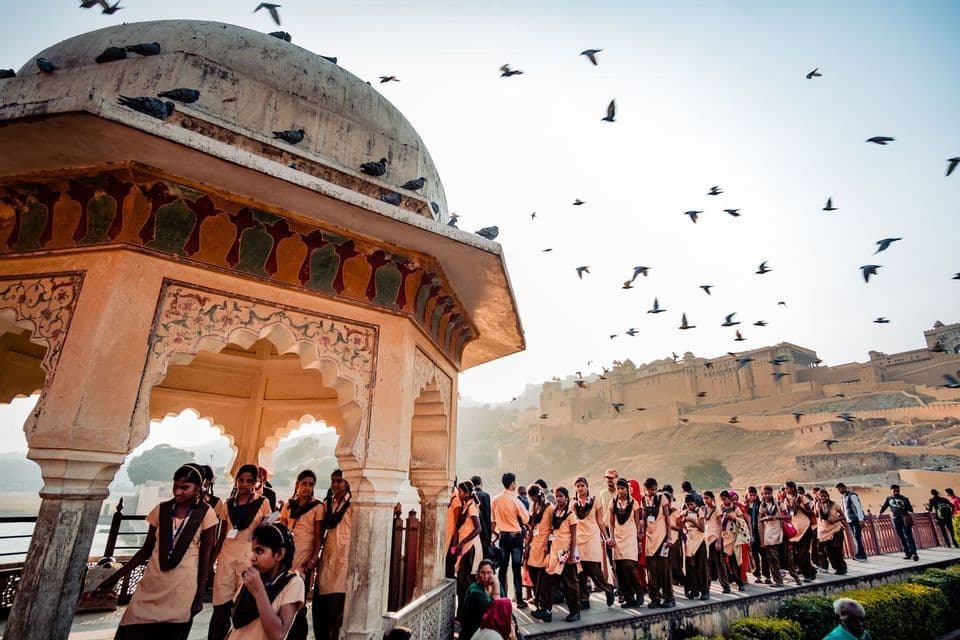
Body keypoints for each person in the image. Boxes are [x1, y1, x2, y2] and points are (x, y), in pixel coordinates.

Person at [101, 463, 218, 640]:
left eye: (184, 487)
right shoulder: (162, 510)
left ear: (198, 488)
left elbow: (205, 558)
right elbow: (145, 551)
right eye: (176, 486)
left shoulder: (206, 514)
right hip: (152, 585)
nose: (178, 492)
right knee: (131, 628)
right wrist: (115, 577)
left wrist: (199, 596)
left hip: (181, 589)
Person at [210, 464, 273, 640]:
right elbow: (222, 534)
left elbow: (265, 533)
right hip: (227, 557)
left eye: (249, 480)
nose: (244, 484)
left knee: (242, 607)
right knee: (220, 606)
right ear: (236, 481)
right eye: (241, 480)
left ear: (256, 483)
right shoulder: (228, 504)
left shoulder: (263, 503)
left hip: (249, 558)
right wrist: (211, 561)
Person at [226, 523, 305, 640]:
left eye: (259, 551)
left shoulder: (293, 583)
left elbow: (278, 634)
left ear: (279, 554)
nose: (252, 558)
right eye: (252, 551)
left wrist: (259, 592)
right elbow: (236, 627)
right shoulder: (253, 578)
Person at [532, 487, 581, 623]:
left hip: (565, 553)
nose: (558, 499)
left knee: (569, 583)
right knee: (549, 582)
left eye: (561, 496)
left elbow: (573, 536)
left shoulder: (570, 515)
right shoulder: (554, 513)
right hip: (555, 552)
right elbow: (553, 532)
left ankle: (575, 611)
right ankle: (546, 610)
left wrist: (571, 554)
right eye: (557, 496)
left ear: (566, 497)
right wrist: (548, 545)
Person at [313, 469, 352, 640]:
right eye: (333, 481)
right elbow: (321, 531)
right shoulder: (328, 504)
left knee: (339, 605)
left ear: (347, 483)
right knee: (324, 602)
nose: (336, 484)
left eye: (339, 481)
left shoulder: (353, 504)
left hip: (345, 558)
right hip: (328, 556)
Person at [573, 477, 615, 609]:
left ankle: (608, 588)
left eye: (582, 485)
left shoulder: (595, 501)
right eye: (578, 486)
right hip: (578, 539)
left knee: (593, 569)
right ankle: (584, 599)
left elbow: (601, 521)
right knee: (580, 572)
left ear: (587, 487)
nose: (580, 488)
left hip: (592, 537)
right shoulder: (573, 504)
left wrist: (607, 537)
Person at [491, 472, 530, 608]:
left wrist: (496, 534)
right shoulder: (516, 500)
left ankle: (503, 598)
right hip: (515, 537)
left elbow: (492, 521)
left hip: (503, 537)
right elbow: (526, 519)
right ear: (512, 483)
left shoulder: (495, 499)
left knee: (503, 569)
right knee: (515, 569)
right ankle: (519, 600)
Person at [278, 470, 322, 580]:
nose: (307, 487)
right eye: (304, 483)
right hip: (288, 550)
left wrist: (314, 558)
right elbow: (282, 530)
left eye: (310, 484)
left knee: (299, 585)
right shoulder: (289, 504)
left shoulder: (317, 506)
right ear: (298, 484)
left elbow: (318, 534)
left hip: (305, 552)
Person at [607, 478, 644, 607]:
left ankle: (639, 591)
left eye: (622, 488)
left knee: (629, 566)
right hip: (617, 538)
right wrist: (611, 537)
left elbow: (638, 522)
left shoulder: (634, 503)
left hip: (630, 537)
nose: (620, 491)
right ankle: (629, 599)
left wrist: (638, 540)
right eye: (618, 488)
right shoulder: (612, 503)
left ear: (627, 490)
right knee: (620, 570)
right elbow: (611, 522)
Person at [641, 477, 676, 609]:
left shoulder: (662, 498)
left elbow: (667, 518)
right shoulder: (643, 500)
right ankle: (654, 598)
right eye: (651, 489)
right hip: (649, 539)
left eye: (655, 489)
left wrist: (668, 537)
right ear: (645, 489)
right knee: (652, 571)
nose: (653, 492)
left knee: (664, 570)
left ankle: (669, 597)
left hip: (661, 538)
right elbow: (644, 519)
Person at [461, 560, 517, 640]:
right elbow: (494, 611)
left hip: (493, 624)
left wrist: (511, 622)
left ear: (494, 574)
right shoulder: (475, 590)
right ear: (478, 574)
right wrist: (496, 590)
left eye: (489, 573)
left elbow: (505, 606)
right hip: (477, 628)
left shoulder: (496, 584)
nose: (485, 576)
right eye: (482, 573)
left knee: (513, 619)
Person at [758, 486, 802, 587]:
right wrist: (766, 518)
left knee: (787, 558)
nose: (767, 495)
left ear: (771, 493)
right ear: (763, 494)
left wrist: (775, 517)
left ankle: (796, 578)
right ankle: (778, 581)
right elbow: (760, 520)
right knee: (772, 559)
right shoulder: (762, 506)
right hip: (769, 534)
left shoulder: (778, 504)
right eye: (765, 493)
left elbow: (788, 516)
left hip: (780, 533)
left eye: (769, 493)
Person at [452, 481, 483, 618]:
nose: (459, 494)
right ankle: (463, 613)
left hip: (470, 547)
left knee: (465, 582)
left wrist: (462, 542)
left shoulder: (471, 507)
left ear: (466, 492)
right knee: (462, 582)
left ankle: (466, 614)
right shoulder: (467, 505)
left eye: (460, 491)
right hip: (465, 546)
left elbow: (478, 528)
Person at [523, 484, 553, 614]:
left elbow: (553, 529)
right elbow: (532, 526)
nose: (533, 500)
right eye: (531, 498)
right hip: (534, 545)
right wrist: (527, 545)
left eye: (534, 497)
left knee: (543, 578)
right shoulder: (534, 507)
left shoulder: (550, 508)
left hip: (544, 546)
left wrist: (548, 544)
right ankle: (539, 601)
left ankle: (545, 608)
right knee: (533, 574)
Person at [785, 482, 818, 581]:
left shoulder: (802, 498)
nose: (786, 490)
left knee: (803, 552)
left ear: (792, 488)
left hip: (805, 527)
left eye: (788, 488)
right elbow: (790, 513)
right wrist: (791, 506)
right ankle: (811, 570)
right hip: (795, 529)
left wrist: (800, 507)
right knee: (797, 553)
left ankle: (808, 575)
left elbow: (810, 512)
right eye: (786, 488)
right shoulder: (787, 499)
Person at [878, 484, 918, 561]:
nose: (896, 492)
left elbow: (911, 509)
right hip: (896, 520)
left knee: (908, 536)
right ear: (891, 491)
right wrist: (879, 514)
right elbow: (884, 506)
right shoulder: (888, 498)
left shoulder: (904, 498)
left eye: (898, 491)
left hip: (905, 519)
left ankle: (914, 553)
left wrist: (903, 506)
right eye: (894, 491)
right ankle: (908, 554)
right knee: (902, 537)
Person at [718, 491, 747, 593]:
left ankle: (740, 583)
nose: (723, 501)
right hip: (724, 536)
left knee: (735, 561)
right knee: (724, 561)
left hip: (734, 537)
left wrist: (733, 518)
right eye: (722, 500)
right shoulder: (721, 508)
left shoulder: (736, 508)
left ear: (729, 499)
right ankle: (730, 579)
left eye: (725, 499)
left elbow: (742, 522)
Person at [682, 494, 709, 600]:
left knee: (701, 567)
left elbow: (702, 528)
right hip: (690, 540)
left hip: (699, 540)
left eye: (691, 504)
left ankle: (704, 591)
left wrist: (693, 521)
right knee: (690, 567)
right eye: (688, 504)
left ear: (695, 503)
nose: (690, 506)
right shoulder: (685, 512)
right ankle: (694, 590)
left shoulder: (699, 511)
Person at [816, 488, 848, 575]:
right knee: (829, 551)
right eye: (821, 497)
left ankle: (842, 568)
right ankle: (836, 567)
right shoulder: (818, 505)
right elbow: (819, 518)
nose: (823, 498)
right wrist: (819, 508)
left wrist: (835, 519)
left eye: (825, 496)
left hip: (836, 529)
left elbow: (843, 516)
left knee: (837, 549)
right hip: (824, 531)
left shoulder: (834, 505)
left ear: (828, 496)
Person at [836, 483, 868, 560]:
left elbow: (858, 507)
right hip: (850, 520)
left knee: (857, 537)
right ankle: (862, 554)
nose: (839, 491)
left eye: (840, 489)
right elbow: (845, 510)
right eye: (838, 490)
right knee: (856, 537)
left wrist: (861, 519)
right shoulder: (843, 497)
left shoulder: (852, 495)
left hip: (856, 519)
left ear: (844, 488)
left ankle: (859, 554)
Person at [745, 487, 769, 583]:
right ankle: (757, 575)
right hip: (751, 534)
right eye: (750, 495)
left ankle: (767, 576)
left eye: (754, 495)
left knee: (764, 555)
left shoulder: (759, 504)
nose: (752, 497)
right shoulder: (745, 507)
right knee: (754, 556)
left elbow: (764, 513)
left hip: (760, 533)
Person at [471, 475, 494, 560]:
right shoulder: (485, 495)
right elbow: (488, 517)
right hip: (483, 530)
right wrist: (489, 537)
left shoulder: (470, 495)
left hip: (472, 530)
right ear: (481, 483)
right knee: (483, 555)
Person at [445, 483, 462, 579]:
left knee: (450, 562)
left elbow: (456, 524)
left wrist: (455, 543)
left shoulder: (456, 499)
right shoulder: (449, 497)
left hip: (452, 538)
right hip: (447, 536)